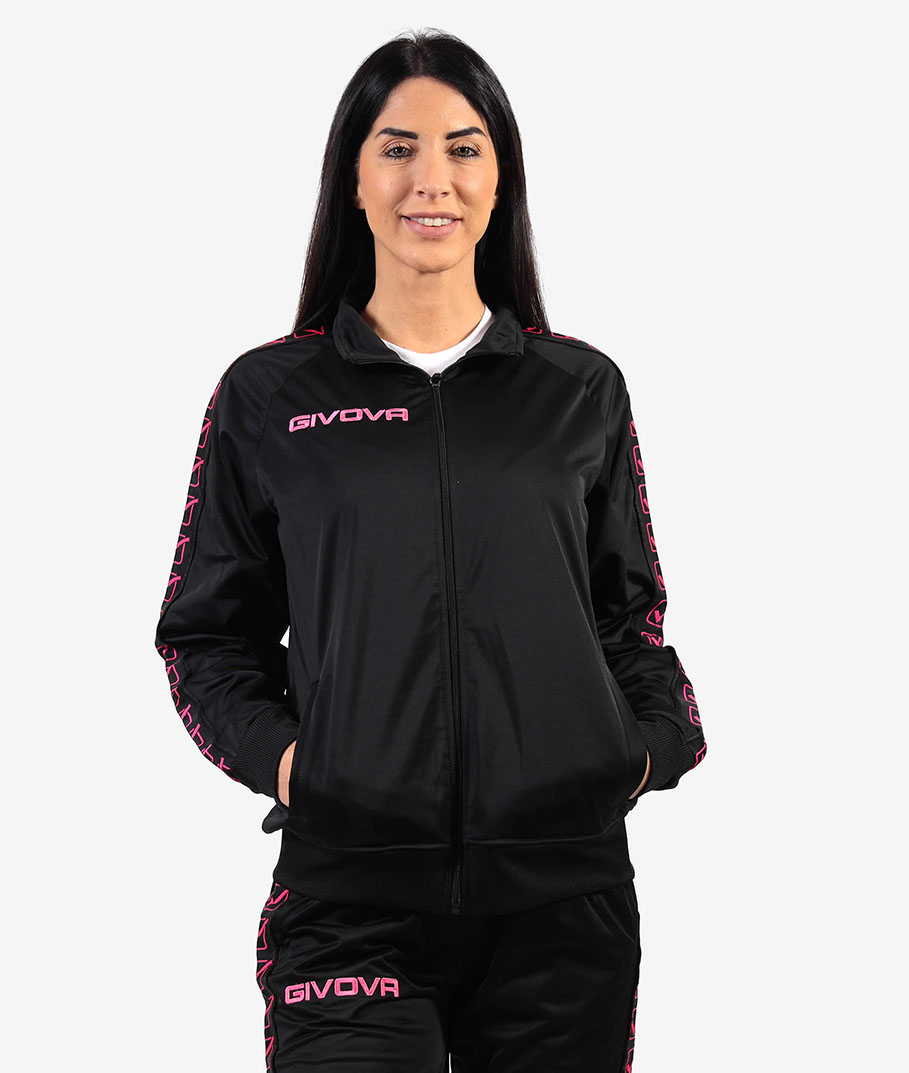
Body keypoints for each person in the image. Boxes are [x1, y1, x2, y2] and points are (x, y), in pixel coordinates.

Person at [154, 27, 707, 1073]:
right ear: (354, 180)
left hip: (562, 904)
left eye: (463, 148)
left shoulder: (578, 390)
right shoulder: (269, 396)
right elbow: (206, 636)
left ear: (499, 180)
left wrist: (646, 747)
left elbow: (626, 618)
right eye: (397, 148)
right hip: (348, 896)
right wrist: (294, 764)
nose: (431, 180)